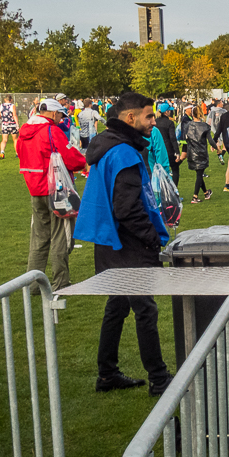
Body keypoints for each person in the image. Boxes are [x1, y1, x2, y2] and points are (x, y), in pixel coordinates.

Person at [75, 92, 173, 395]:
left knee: (117, 305)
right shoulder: (124, 153)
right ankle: (159, 378)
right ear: (130, 118)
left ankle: (107, 374)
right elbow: (128, 208)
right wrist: (153, 239)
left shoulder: (110, 146)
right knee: (145, 309)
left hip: (110, 242)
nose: (153, 122)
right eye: (148, 116)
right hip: (126, 244)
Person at [17, 100, 87, 292]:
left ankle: (32, 284)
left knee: (39, 238)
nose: (61, 120)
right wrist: (83, 161)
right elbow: (70, 157)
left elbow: (19, 153)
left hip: (34, 188)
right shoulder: (51, 131)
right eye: (60, 116)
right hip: (55, 189)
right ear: (54, 113)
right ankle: (61, 282)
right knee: (61, 236)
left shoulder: (25, 131)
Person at [180, 105, 214, 203]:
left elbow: (184, 137)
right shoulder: (204, 126)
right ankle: (195, 197)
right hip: (201, 153)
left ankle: (206, 193)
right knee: (199, 175)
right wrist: (218, 149)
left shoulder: (188, 125)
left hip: (191, 152)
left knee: (199, 173)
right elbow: (211, 141)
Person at [154, 103, 181, 185]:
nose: (170, 112)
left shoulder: (155, 122)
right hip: (168, 149)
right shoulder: (169, 123)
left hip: (157, 149)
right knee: (175, 170)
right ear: (166, 112)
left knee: (159, 171)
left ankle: (161, 191)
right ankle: (174, 192)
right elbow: (173, 138)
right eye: (169, 110)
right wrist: (177, 152)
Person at [0, 94, 19, 159]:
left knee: (4, 140)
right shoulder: (12, 106)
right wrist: (17, 124)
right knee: (15, 139)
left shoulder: (1, 106)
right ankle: (17, 153)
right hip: (12, 124)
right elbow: (14, 115)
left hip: (5, 125)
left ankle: (2, 152)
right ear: (11, 100)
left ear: (4, 99)